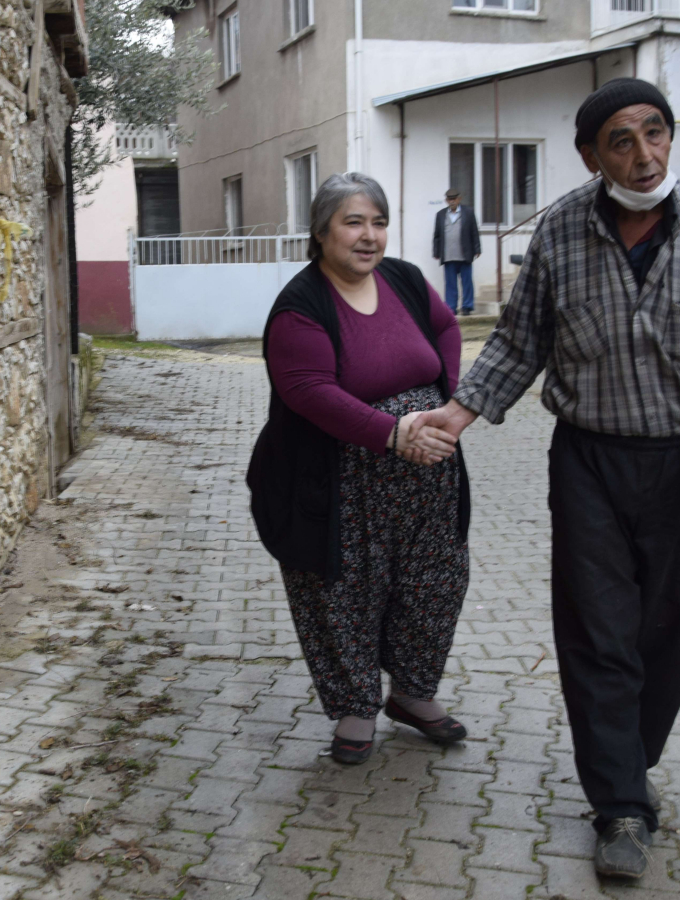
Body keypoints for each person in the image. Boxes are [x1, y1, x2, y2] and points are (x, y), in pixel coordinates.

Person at [414, 79, 680, 879]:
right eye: (623, 140)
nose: (645, 153)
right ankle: (621, 803)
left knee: (665, 628)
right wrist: (461, 413)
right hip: (588, 458)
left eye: (655, 133)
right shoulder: (559, 234)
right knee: (597, 630)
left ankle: (632, 755)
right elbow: (520, 344)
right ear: (592, 155)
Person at [247, 172, 470, 766]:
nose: (369, 236)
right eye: (353, 222)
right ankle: (354, 705)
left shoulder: (402, 279)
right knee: (343, 594)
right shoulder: (302, 305)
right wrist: (393, 433)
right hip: (339, 487)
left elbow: (447, 328)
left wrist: (446, 407)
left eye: (378, 221)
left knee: (433, 586)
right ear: (321, 232)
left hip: (426, 481)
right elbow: (308, 390)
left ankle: (412, 694)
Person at [432, 189, 481, 316]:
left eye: (454, 198)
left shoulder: (468, 212)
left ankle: (467, 306)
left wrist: (477, 248)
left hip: (465, 254)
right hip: (448, 255)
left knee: (467, 282)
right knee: (450, 283)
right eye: (449, 199)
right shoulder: (440, 214)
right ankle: (451, 307)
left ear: (459, 199)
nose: (452, 201)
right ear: (446, 201)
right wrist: (436, 251)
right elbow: (437, 235)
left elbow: (474, 232)